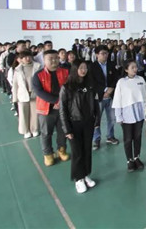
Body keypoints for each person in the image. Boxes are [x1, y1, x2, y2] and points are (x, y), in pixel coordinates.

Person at [59, 61, 99, 194]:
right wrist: (67, 129)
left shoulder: (90, 85)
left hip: (88, 123)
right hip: (74, 124)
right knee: (77, 152)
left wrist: (96, 120)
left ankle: (86, 174)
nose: (83, 70)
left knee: (87, 150)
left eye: (85, 68)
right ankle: (78, 179)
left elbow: (95, 104)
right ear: (75, 69)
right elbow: (63, 110)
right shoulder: (67, 87)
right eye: (81, 68)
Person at [32, 50, 70, 166]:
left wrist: (63, 102)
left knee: (62, 131)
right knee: (46, 133)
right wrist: (57, 101)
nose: (54, 60)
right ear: (44, 60)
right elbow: (39, 92)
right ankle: (48, 154)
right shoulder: (38, 75)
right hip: (46, 109)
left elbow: (70, 87)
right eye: (50, 58)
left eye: (56, 58)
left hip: (63, 108)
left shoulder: (65, 72)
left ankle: (61, 150)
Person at [113, 60, 146, 172]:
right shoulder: (121, 82)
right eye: (132, 67)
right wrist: (118, 116)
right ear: (126, 69)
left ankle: (137, 157)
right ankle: (129, 160)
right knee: (128, 139)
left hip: (139, 113)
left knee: (137, 137)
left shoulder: (141, 80)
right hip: (127, 114)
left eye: (136, 67)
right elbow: (117, 99)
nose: (135, 69)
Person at [90, 45, 120, 150]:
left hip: (111, 96)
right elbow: (92, 82)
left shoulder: (112, 64)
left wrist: (111, 89)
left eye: (106, 53)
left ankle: (110, 136)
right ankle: (96, 139)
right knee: (96, 119)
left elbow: (116, 78)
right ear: (97, 55)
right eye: (103, 53)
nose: (105, 55)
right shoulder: (92, 66)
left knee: (111, 118)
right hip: (99, 97)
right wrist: (104, 90)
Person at [12, 50, 41, 138]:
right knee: (23, 114)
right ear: (21, 59)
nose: (27, 58)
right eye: (24, 57)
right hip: (23, 95)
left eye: (29, 56)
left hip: (34, 94)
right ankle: (26, 131)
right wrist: (15, 98)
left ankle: (34, 129)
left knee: (35, 113)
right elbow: (15, 84)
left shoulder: (38, 67)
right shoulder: (17, 70)